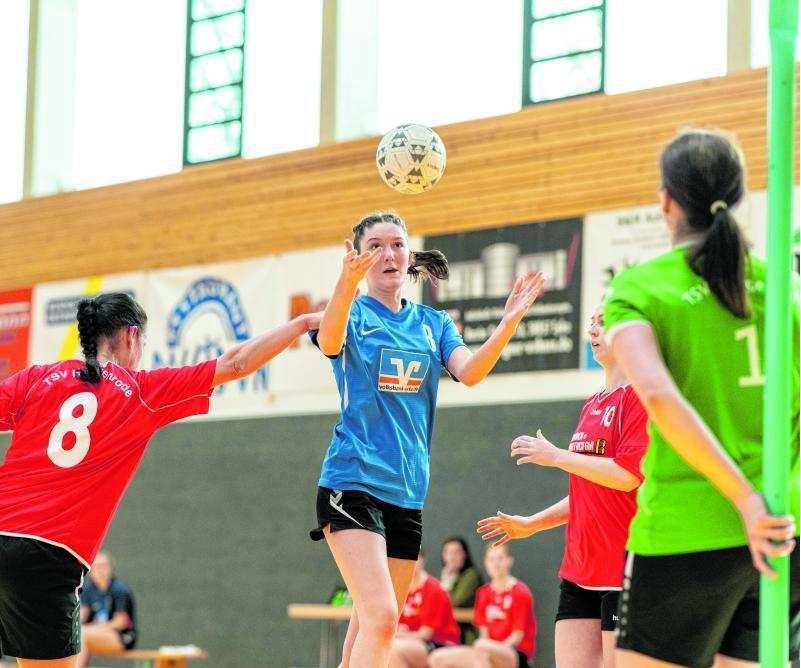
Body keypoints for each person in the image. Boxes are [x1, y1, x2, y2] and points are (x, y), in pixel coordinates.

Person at [0, 292, 320, 667]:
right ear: (132, 336)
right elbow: (235, 363)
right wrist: (301, 323)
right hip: (47, 557)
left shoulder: (37, 378)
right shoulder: (140, 392)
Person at [309, 211, 545, 668]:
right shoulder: (351, 311)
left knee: (371, 624)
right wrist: (345, 283)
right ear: (359, 256)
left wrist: (509, 322)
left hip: (407, 492)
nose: (388, 253)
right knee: (380, 617)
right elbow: (332, 341)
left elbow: (470, 372)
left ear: (410, 254)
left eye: (396, 243)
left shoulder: (432, 323)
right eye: (375, 245)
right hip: (351, 483)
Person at [603, 128, 799, 667]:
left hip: (684, 533)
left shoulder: (641, 287)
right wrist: (767, 504)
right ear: (739, 199)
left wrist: (743, 501)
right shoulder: (782, 287)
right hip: (780, 531)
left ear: (666, 202)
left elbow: (659, 398)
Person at [477, 304, 649, 667]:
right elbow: (588, 492)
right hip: (579, 567)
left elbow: (626, 476)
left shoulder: (639, 398)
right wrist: (532, 523)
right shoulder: (591, 405)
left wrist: (555, 456)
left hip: (622, 567)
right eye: (592, 322)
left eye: (603, 322)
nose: (593, 329)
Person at [429, 544, 536, 668]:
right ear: (485, 562)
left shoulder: (520, 592)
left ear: (509, 560)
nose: (496, 564)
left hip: (515, 654)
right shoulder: (484, 592)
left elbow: (517, 636)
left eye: (500, 558)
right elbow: (484, 632)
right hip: (485, 649)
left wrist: (489, 650)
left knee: (481, 647)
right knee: (437, 658)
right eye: (491, 559)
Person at [389, 549, 460, 668]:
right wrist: (401, 633)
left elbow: (425, 634)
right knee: (383, 648)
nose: (407, 562)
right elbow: (397, 626)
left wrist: (401, 635)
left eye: (413, 558)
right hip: (414, 641)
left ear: (422, 560)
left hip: (441, 644)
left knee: (394, 650)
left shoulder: (433, 589)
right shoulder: (401, 589)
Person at [76, 552, 136, 666]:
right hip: (92, 634)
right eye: (97, 566)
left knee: (82, 634)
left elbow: (120, 622)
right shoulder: (88, 589)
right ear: (90, 570)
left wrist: (93, 628)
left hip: (121, 637)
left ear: (111, 568)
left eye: (104, 566)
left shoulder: (119, 589)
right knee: (76, 635)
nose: (101, 570)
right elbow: (81, 617)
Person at [440, 536, 482, 643]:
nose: (452, 557)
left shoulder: (471, 575)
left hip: (469, 634)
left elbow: (454, 602)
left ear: (465, 555)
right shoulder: (445, 577)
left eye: (456, 552)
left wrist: (446, 581)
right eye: (448, 552)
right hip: (448, 634)